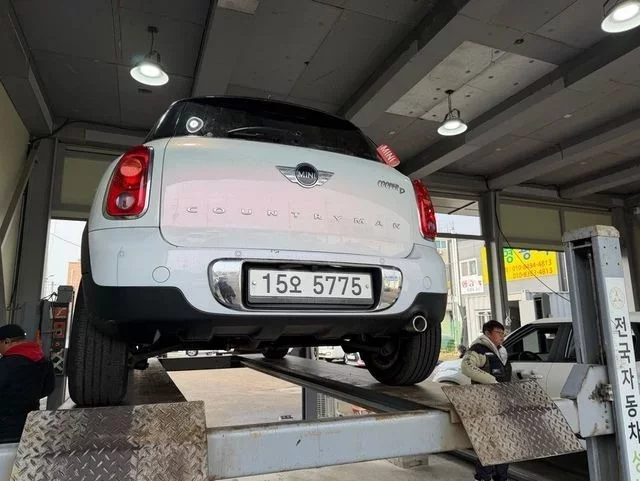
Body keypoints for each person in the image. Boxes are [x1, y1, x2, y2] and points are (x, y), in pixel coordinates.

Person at [460, 320, 512, 481]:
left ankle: (501, 477)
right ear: (487, 333)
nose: (502, 336)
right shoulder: (479, 349)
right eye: (498, 332)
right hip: (485, 403)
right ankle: (483, 477)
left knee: (504, 442)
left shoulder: (501, 352)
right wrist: (490, 380)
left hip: (502, 404)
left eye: (503, 333)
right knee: (488, 443)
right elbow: (466, 366)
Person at [0, 324, 55, 443]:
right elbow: (48, 388)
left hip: (5, 428)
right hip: (31, 423)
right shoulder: (44, 360)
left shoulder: (5, 365)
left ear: (7, 341)